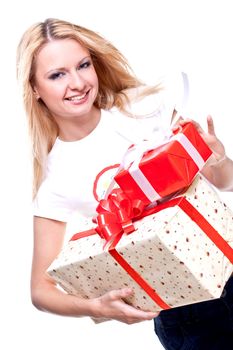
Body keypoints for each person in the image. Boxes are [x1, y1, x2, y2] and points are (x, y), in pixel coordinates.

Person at [17, 18, 233, 349]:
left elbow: (224, 181)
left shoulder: (142, 107)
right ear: (34, 88)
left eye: (83, 65)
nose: (77, 82)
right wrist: (94, 307)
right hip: (187, 314)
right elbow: (40, 290)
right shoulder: (55, 179)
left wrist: (217, 158)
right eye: (57, 75)